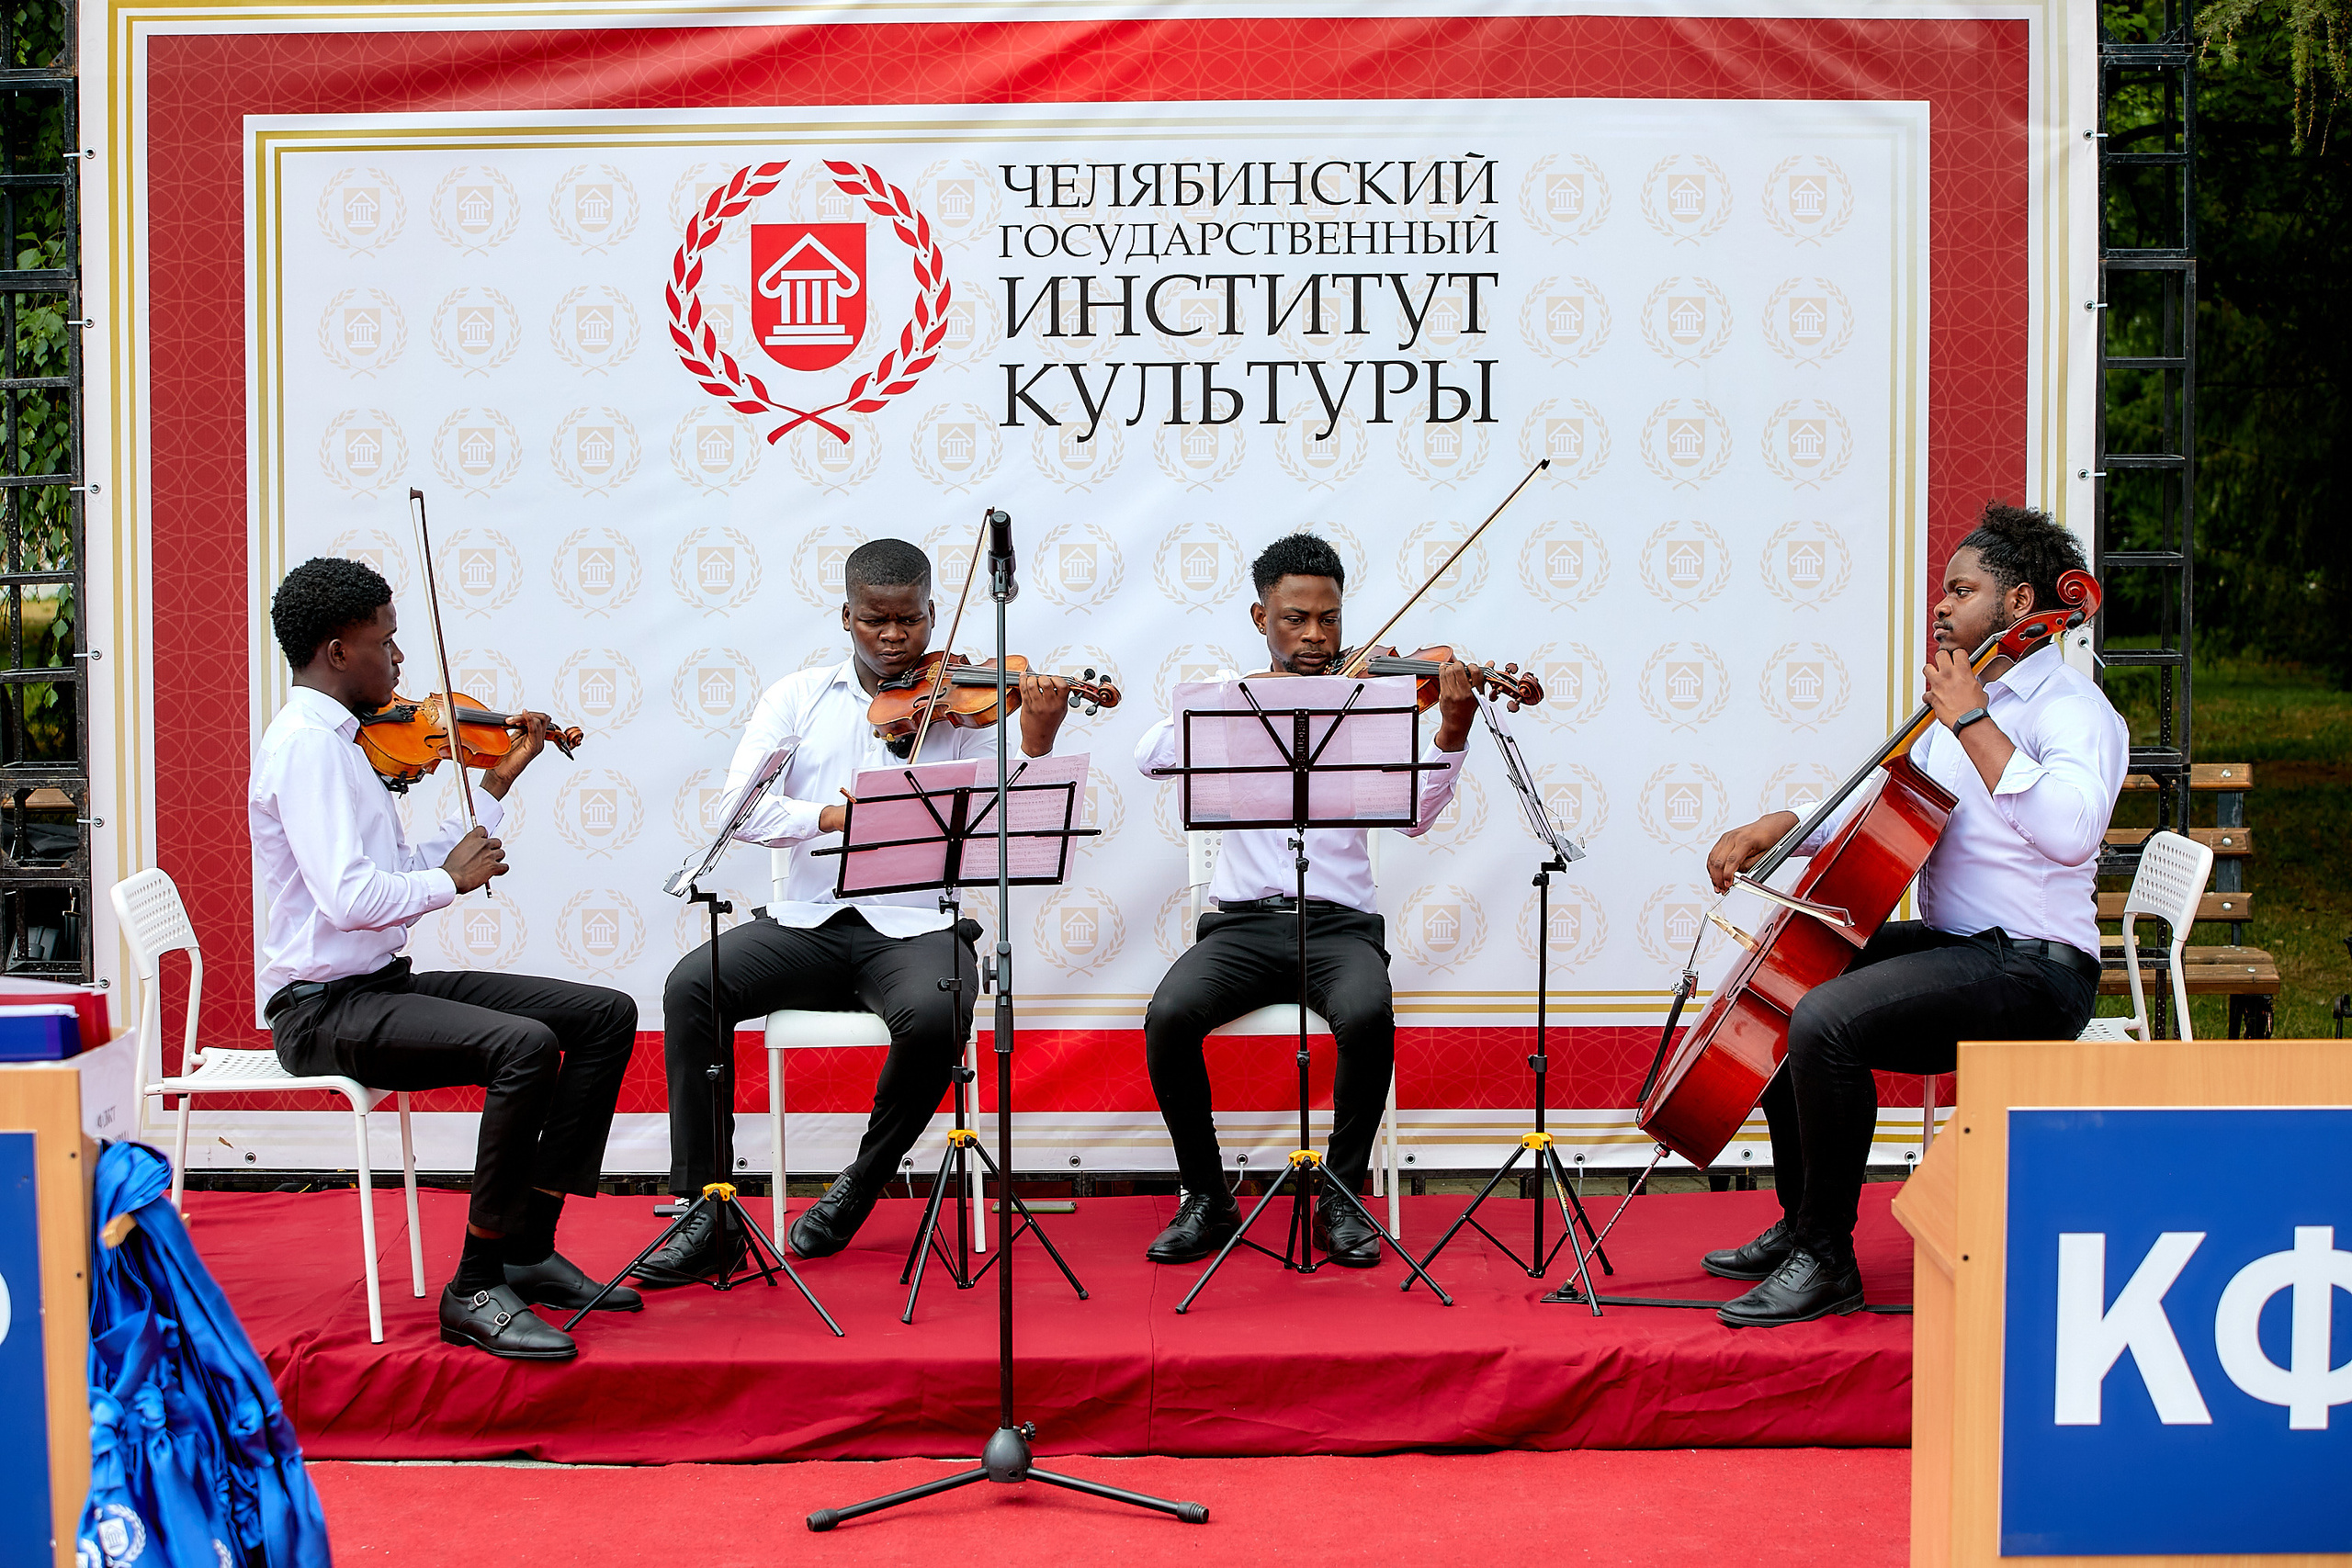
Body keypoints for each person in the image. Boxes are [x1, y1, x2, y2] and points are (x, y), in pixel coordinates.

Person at [1698, 504, 2127, 1326]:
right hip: (1960, 947)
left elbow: (2072, 834)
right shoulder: (1960, 707)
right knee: (1791, 974)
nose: (1940, 605)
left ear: (2020, 601)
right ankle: (1802, 1224)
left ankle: (1829, 1260)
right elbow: (1879, 810)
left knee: (1825, 1018)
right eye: (1940, 589)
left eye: (1961, 589)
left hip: (2035, 969)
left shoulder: (2070, 709)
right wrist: (1778, 826)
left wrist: (1972, 721)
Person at [635, 537, 1077, 1282]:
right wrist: (835, 820)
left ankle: (860, 1183)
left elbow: (1020, 809)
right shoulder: (796, 698)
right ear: (848, 616)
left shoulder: (964, 706)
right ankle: (707, 1209)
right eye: (878, 621)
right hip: (807, 923)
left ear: (934, 614)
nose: (896, 638)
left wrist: (1036, 732)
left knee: (939, 1014)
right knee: (691, 986)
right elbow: (737, 810)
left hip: (914, 929)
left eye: (910, 621)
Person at [250, 557, 639, 1362]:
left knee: (605, 1014)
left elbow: (399, 861)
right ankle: (473, 1283)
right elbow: (350, 899)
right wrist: (448, 883)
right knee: (524, 1046)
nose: (399, 663)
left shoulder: (349, 743)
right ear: (335, 651)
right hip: (321, 1008)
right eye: (385, 644)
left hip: (376, 982)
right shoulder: (306, 749)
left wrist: (496, 779)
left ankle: (527, 1246)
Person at [1133, 533, 1477, 1269]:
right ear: (1261, 618)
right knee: (1167, 1017)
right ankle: (1208, 1195)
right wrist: (1245, 696)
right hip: (1242, 926)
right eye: (1296, 619)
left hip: (1341, 929)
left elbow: (1414, 813)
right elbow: (1152, 758)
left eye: (1329, 619)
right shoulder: (1233, 698)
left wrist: (1450, 731)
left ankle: (1341, 1197)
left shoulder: (1372, 705)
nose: (1317, 636)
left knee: (1368, 1014)